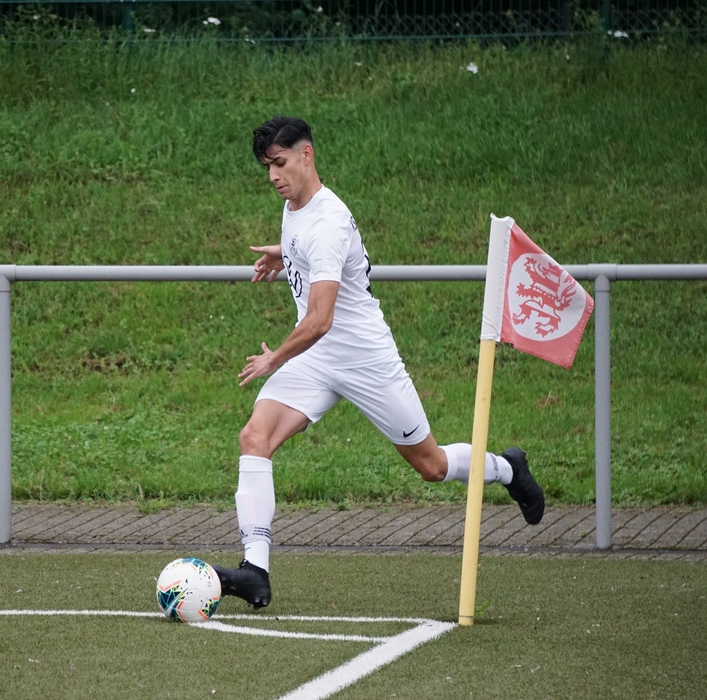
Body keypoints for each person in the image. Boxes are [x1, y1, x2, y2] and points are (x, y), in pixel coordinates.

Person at [211, 116, 544, 610]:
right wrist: (287, 254)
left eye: (280, 163)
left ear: (307, 155)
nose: (274, 176)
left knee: (430, 466)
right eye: (267, 167)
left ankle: (506, 468)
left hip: (365, 361)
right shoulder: (296, 207)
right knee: (254, 437)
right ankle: (254, 571)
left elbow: (320, 319)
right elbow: (314, 256)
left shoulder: (328, 222)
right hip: (316, 359)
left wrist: (273, 359)